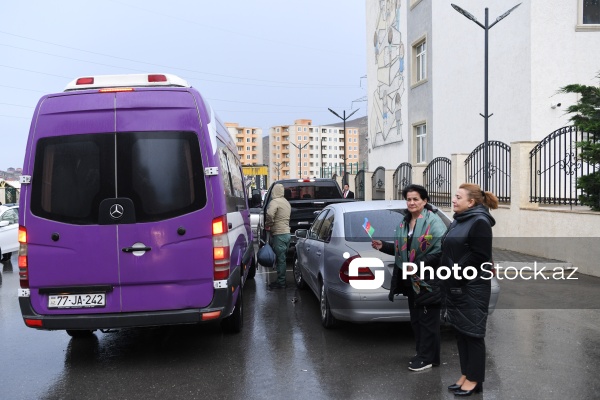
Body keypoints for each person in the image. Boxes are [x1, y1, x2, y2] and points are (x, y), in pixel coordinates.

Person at [372, 184, 446, 371]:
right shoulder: (405, 222)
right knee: (417, 320)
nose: (411, 202)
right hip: (411, 280)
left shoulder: (433, 222)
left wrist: (418, 265)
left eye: (416, 199)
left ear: (425, 201)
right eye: (409, 199)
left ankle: (426, 358)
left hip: (428, 280)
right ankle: (427, 355)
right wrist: (384, 246)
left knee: (428, 321)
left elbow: (440, 252)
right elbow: (402, 250)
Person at [441, 183, 498, 396]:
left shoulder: (480, 222)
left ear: (471, 202)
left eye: (457, 197)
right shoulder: (460, 220)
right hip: (457, 287)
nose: (453, 200)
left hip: (471, 288)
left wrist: (455, 274)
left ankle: (475, 379)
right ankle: (466, 374)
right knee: (462, 333)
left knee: (473, 334)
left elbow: (479, 257)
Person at [265, 183, 291, 289]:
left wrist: (268, 224)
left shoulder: (274, 202)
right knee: (282, 258)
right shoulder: (286, 202)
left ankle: (281, 282)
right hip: (287, 233)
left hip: (279, 234)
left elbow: (270, 214)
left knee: (281, 260)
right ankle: (281, 280)